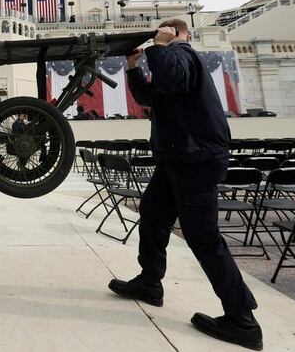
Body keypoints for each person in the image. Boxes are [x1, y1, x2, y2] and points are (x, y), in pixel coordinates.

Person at [108, 19, 262, 351]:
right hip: (178, 158)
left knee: (204, 239)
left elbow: (171, 76)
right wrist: (134, 66)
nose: (158, 36)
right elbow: (150, 95)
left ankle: (242, 319)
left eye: (165, 31)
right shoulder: (173, 60)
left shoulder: (182, 53)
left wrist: (162, 44)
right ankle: (150, 282)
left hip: (195, 159)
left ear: (179, 33)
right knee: (152, 215)